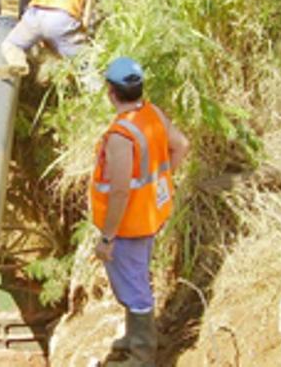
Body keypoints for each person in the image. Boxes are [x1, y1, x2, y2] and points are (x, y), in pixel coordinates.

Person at [90, 57, 190, 365]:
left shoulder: (121, 136)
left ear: (111, 92)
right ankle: (134, 337)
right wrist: (161, 181)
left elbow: (120, 190)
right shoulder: (152, 114)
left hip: (128, 225)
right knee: (136, 278)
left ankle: (142, 353)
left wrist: (107, 238)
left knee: (134, 288)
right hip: (150, 214)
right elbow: (182, 145)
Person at [0, 0, 93, 80]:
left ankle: (18, 62)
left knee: (11, 44)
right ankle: (94, 89)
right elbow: (85, 21)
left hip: (34, 15)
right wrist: (81, 37)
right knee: (82, 63)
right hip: (60, 19)